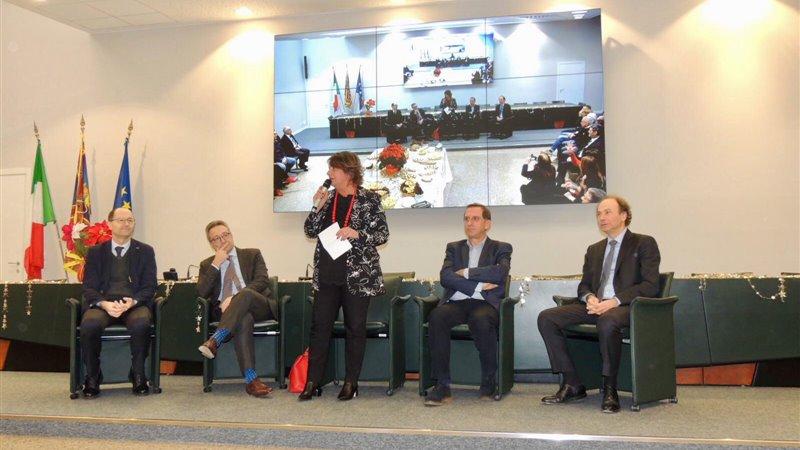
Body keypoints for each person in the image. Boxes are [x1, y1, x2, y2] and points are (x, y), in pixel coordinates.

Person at [537, 196, 661, 413]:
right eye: (598, 214)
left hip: (627, 308)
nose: (601, 217)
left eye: (607, 212)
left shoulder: (643, 243)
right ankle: (573, 383)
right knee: (547, 317)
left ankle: (610, 389)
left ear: (623, 215)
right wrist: (589, 298)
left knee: (608, 320)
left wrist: (614, 301)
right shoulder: (594, 249)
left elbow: (650, 286)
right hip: (597, 306)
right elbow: (584, 285)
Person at [301, 151, 389, 401]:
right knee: (319, 329)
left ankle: (351, 382)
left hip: (358, 276)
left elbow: (382, 235)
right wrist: (316, 206)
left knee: (355, 329)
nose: (329, 173)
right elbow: (309, 231)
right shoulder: (327, 199)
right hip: (327, 274)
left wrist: (357, 234)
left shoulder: (369, 199)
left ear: (348, 172)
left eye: (333, 169)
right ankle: (312, 381)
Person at [424, 204, 513, 406]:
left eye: (475, 218)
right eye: (466, 219)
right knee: (437, 316)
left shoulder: (501, 248)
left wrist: (465, 272)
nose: (469, 223)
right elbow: (445, 277)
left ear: (487, 224)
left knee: (481, 319)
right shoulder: (454, 248)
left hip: (485, 304)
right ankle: (442, 386)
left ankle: (489, 382)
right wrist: (478, 286)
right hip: (457, 302)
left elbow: (499, 273)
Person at [80, 207, 157, 398]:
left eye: (130, 220)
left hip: (133, 305)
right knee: (89, 324)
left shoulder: (145, 251)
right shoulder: (96, 252)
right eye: (121, 220)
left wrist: (133, 302)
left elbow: (150, 286)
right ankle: (92, 376)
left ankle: (138, 374)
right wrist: (104, 304)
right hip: (104, 305)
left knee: (141, 323)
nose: (126, 224)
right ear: (110, 224)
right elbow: (88, 287)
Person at [197, 221, 278, 397]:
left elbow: (262, 280)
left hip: (258, 305)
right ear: (211, 244)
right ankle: (252, 381)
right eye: (217, 238)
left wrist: (234, 299)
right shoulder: (207, 265)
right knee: (244, 318)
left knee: (245, 294)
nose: (223, 240)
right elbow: (202, 292)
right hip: (230, 314)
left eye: (225, 235)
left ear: (231, 235)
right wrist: (216, 264)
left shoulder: (252, 254)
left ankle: (216, 339)